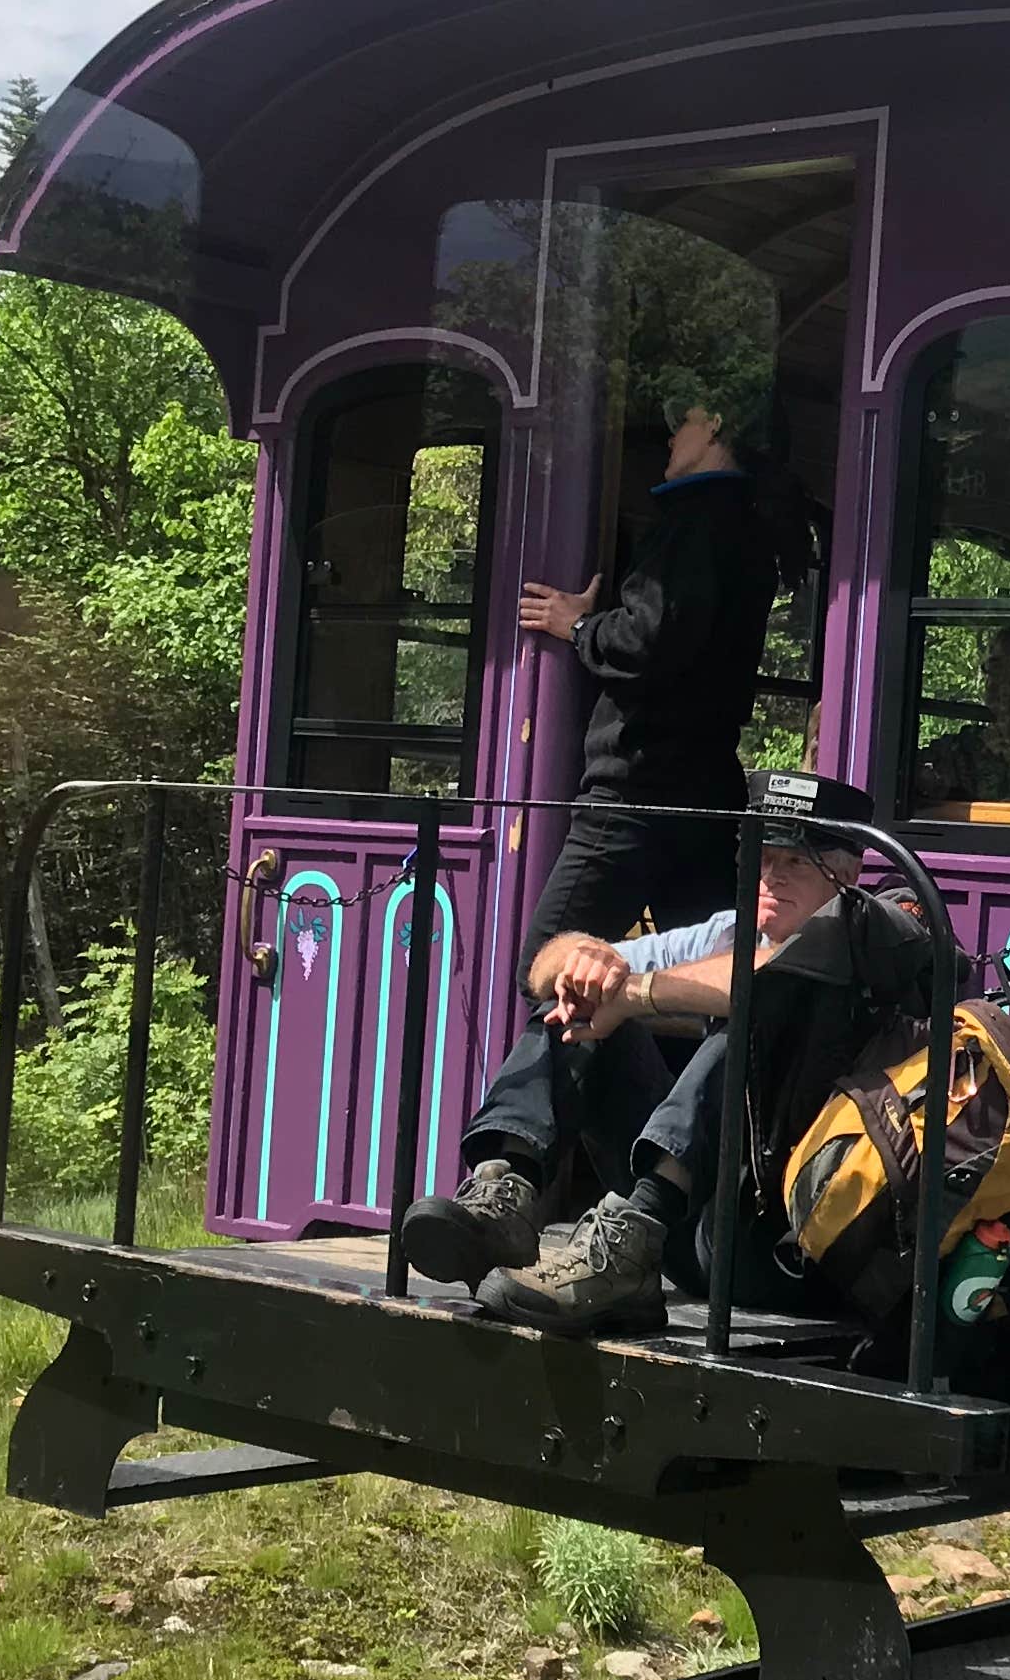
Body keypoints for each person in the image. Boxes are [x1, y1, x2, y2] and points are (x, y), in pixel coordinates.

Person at [398, 377, 780, 1286]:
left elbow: (652, 642)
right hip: (697, 789)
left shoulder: (701, 519)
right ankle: (651, 1191)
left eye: (682, 415)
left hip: (638, 785)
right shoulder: (749, 528)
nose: (669, 433)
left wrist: (578, 625)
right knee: (695, 983)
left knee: (553, 956)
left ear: (715, 422)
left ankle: (518, 1183)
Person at [483, 769, 936, 1333]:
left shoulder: (873, 935)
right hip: (689, 1237)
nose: (771, 877)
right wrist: (586, 964)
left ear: (847, 873)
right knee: (573, 1000)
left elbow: (768, 976)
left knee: (746, 1014)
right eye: (762, 858)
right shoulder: (728, 930)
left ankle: (635, 1224)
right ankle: (503, 1190)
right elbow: (542, 971)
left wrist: (635, 993)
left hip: (784, 1252)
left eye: (795, 862)